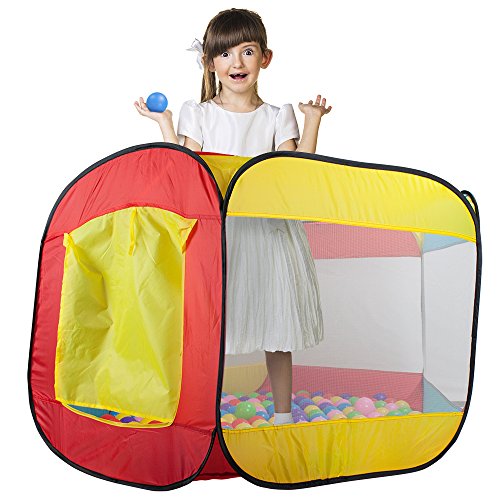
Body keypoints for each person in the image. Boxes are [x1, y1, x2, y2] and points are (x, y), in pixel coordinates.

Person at [134, 8, 330, 426]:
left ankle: (282, 416)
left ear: (265, 58)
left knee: (278, 325)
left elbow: (299, 170)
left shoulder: (277, 115)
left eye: (247, 51)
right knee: (211, 323)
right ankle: (205, 415)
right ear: (209, 63)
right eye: (224, 54)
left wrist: (312, 121)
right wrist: (165, 125)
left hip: (271, 232)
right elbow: (186, 169)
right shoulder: (199, 113)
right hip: (222, 232)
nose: (236, 63)